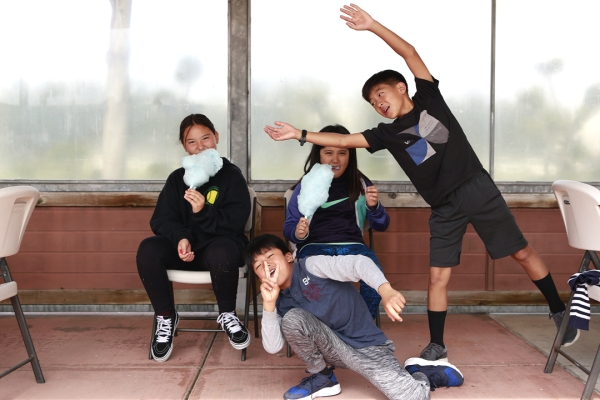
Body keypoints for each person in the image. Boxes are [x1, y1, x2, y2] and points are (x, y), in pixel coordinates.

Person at [264, 4, 579, 363]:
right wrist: (300, 134)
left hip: (477, 187)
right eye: (372, 102)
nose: (378, 103)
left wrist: (372, 25)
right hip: (444, 206)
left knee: (521, 252)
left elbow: (410, 53)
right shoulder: (386, 134)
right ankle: (437, 344)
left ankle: (558, 310)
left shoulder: (430, 99)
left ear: (401, 88)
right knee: (437, 277)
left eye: (381, 94)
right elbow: (345, 140)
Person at [246, 234, 464, 400]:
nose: (266, 265)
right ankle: (322, 378)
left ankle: (423, 373)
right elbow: (273, 347)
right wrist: (269, 305)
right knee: (293, 319)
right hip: (334, 350)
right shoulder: (279, 301)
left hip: (366, 346)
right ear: (258, 276)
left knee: (413, 397)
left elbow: (358, 263)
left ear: (288, 256)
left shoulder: (311, 266)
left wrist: (385, 289)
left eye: (270, 256)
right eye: (258, 265)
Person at [137, 113, 251, 362]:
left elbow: (235, 221)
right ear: (184, 146)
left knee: (224, 249)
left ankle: (228, 314)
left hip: (219, 251)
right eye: (192, 142)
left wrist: (203, 212)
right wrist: (180, 238)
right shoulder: (177, 179)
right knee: (148, 248)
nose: (200, 146)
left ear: (216, 137)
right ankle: (166, 316)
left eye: (205, 138)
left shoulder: (232, 176)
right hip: (185, 250)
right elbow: (162, 219)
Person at [285, 123, 390, 319]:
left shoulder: (361, 184)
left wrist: (374, 207)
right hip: (314, 246)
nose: (335, 159)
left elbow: (381, 225)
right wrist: (298, 233)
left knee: (374, 276)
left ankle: (361, 323)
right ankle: (320, 326)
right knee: (309, 282)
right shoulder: (305, 186)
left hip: (353, 245)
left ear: (351, 156)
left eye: (342, 153)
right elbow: (289, 227)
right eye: (328, 152)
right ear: (318, 155)